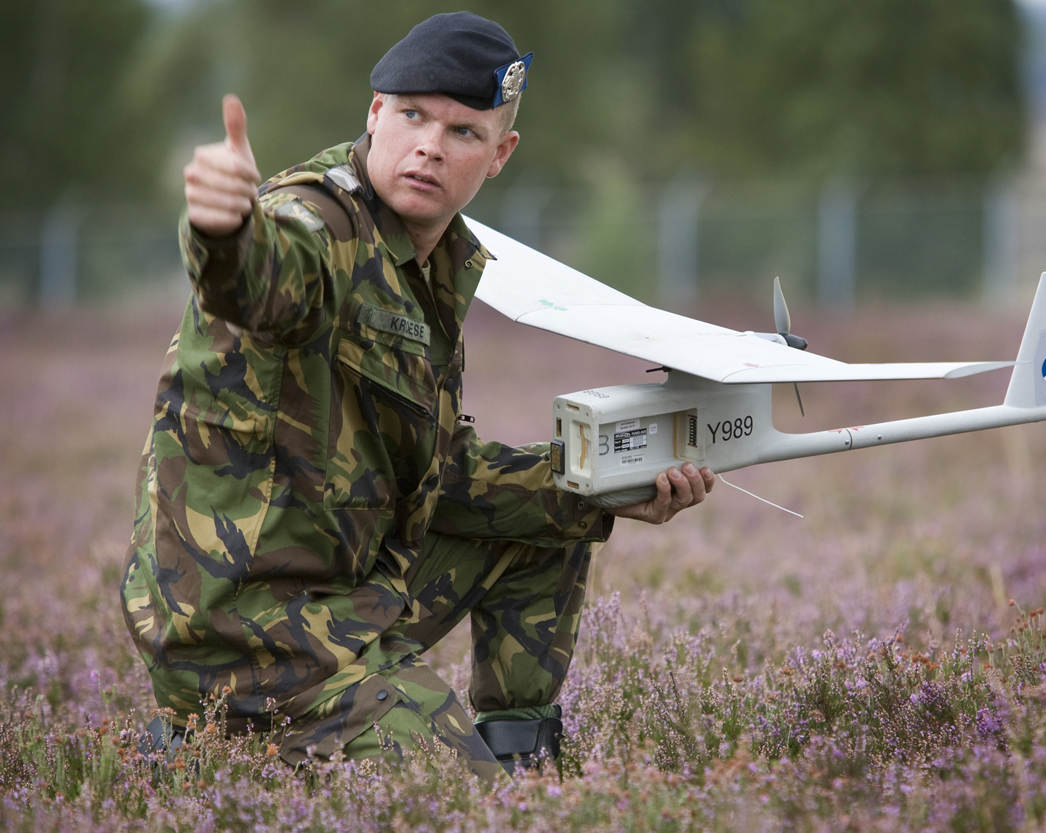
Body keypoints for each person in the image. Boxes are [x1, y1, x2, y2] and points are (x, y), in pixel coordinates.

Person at [120, 11, 713, 779]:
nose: (431, 145)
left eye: (463, 131)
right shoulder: (317, 222)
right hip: (246, 629)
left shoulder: (433, 261)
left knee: (553, 516)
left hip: (345, 594)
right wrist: (223, 228)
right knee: (457, 794)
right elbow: (261, 276)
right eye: (412, 116)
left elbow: (440, 472)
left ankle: (524, 760)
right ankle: (209, 743)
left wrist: (605, 487)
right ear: (375, 113)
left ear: (499, 155)